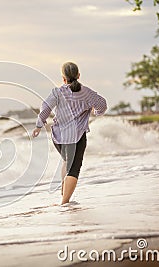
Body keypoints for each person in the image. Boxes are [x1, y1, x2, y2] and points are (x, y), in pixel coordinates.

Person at [32, 62, 107, 205]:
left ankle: (63, 188)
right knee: (74, 167)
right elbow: (102, 105)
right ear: (78, 76)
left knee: (67, 160)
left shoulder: (57, 92)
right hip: (77, 137)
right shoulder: (86, 93)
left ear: (63, 78)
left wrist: (38, 125)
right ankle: (64, 202)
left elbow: (45, 108)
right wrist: (95, 112)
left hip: (59, 137)